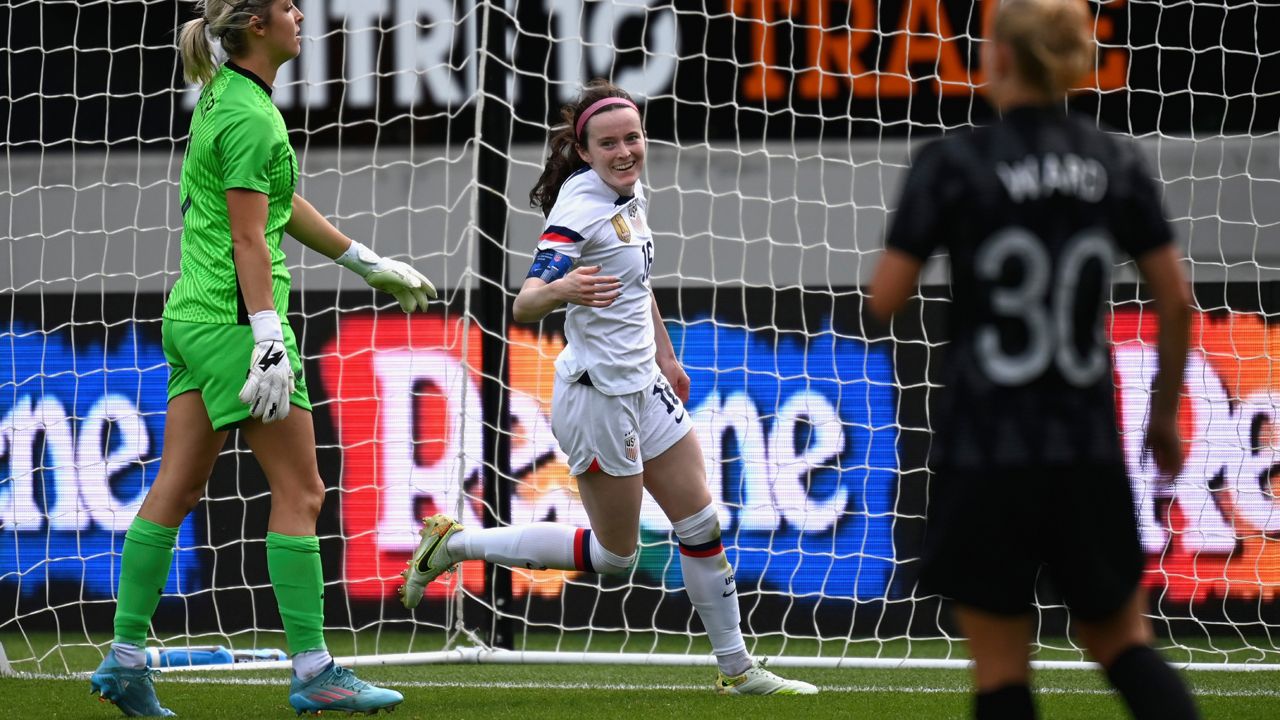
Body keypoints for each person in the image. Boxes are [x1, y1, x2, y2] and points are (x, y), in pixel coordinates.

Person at [396, 79, 817, 696]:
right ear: (585, 151)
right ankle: (457, 543)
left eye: (633, 138)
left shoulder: (630, 193)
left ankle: (738, 668)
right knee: (616, 556)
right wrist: (563, 289)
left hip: (646, 386)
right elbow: (526, 301)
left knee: (700, 522)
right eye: (609, 143)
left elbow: (637, 284)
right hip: (597, 399)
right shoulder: (579, 205)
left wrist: (667, 358)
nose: (625, 152)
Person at [89, 1, 435, 715]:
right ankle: (314, 670)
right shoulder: (251, 114)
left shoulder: (228, 93)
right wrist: (269, 337)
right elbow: (252, 239)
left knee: (177, 489)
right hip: (236, 325)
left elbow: (274, 203)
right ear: (255, 24)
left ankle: (124, 659)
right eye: (286, 6)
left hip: (192, 318)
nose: (301, 14)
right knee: (303, 492)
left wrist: (366, 261)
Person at [867, 0, 1199, 718]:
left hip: (984, 444)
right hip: (1084, 446)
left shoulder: (952, 162)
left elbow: (885, 299)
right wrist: (1165, 418)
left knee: (1002, 675)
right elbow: (1176, 303)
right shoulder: (1114, 159)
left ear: (1001, 58)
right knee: (1123, 645)